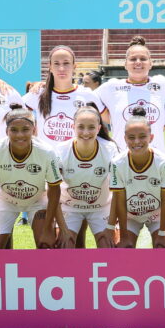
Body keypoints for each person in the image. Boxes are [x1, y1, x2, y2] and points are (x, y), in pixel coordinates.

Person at [0, 104, 67, 249]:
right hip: (5, 199)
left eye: (25, 129)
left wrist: (47, 230)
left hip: (37, 200)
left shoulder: (47, 152)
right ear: (7, 131)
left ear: (34, 130)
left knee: (46, 245)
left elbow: (55, 190)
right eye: (14, 130)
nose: (20, 135)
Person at [96, 36, 165, 152]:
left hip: (156, 159)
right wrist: (108, 116)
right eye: (133, 59)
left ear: (150, 63)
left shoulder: (162, 83)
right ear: (125, 64)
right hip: (121, 158)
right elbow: (89, 98)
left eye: (143, 59)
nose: (138, 62)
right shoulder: (112, 87)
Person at [108, 106, 165, 248]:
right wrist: (124, 235)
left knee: (162, 246)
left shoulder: (164, 162)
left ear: (151, 137)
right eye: (131, 137)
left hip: (157, 214)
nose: (137, 141)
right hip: (130, 216)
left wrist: (162, 234)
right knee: (125, 247)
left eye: (142, 137)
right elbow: (119, 200)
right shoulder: (117, 163)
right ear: (124, 139)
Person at [54, 105, 119, 248]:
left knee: (107, 246)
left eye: (91, 127)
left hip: (100, 207)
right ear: (73, 127)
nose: (85, 132)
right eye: (81, 127)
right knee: (64, 245)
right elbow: (53, 192)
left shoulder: (110, 149)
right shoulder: (61, 150)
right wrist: (63, 230)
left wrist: (111, 227)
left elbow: (118, 192)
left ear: (99, 128)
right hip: (70, 207)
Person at [23, 45, 103, 146]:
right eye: (56, 64)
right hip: (46, 159)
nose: (61, 68)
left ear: (74, 66)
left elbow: (110, 118)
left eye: (66, 63)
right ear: (50, 67)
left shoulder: (87, 94)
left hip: (76, 159)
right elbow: (10, 110)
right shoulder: (38, 93)